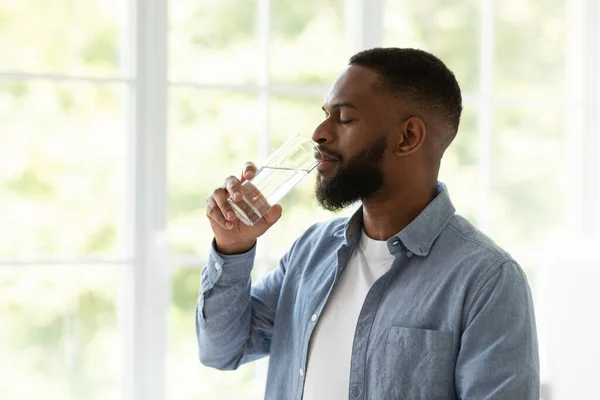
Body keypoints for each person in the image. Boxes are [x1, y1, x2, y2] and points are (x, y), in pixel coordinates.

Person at [197, 47, 539, 399]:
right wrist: (232, 247)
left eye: (344, 118)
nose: (319, 133)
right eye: (325, 115)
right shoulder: (311, 251)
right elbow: (221, 351)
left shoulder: (486, 279)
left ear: (407, 137)